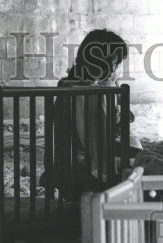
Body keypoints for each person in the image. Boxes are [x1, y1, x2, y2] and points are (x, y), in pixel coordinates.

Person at [41, 29, 137, 201]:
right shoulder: (80, 93)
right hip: (83, 162)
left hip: (93, 154)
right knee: (140, 163)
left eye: (116, 64)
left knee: (139, 156)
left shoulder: (99, 88)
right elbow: (95, 140)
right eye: (110, 62)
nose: (114, 69)